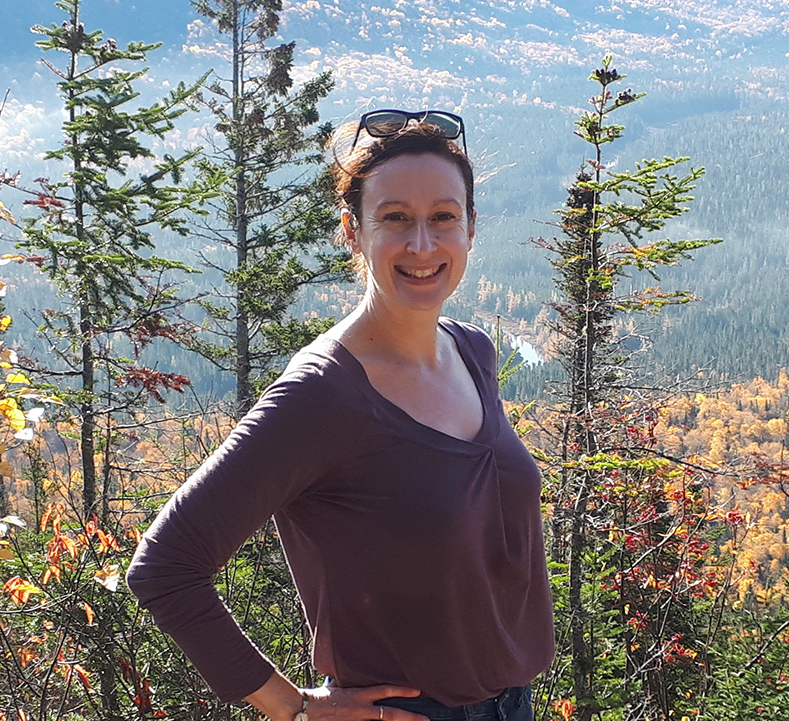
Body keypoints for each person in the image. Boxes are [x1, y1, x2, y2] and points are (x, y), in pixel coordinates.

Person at [126, 109, 555, 721]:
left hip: (514, 704)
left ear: (470, 228)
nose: (423, 244)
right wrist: (294, 708)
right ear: (352, 231)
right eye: (395, 219)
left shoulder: (472, 352)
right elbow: (166, 566)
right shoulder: (322, 396)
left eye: (442, 217)